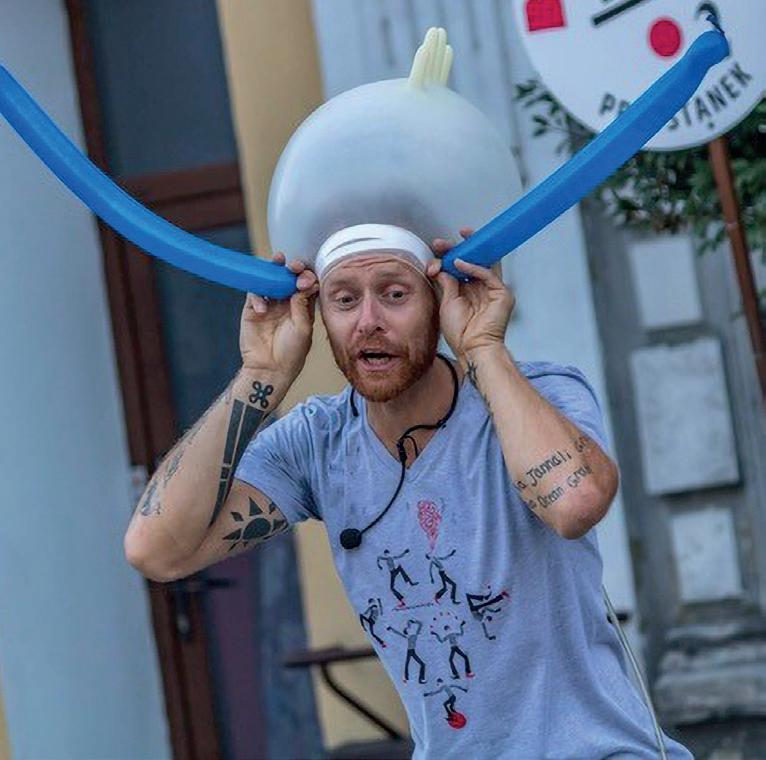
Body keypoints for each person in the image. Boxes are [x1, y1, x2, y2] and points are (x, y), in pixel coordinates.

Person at [124, 228, 693, 758]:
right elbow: (157, 551)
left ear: (438, 300)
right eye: (344, 300)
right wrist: (261, 375)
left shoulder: (539, 393)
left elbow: (575, 505)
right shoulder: (315, 443)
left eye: (394, 294)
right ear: (321, 317)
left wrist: (482, 347)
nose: (368, 321)